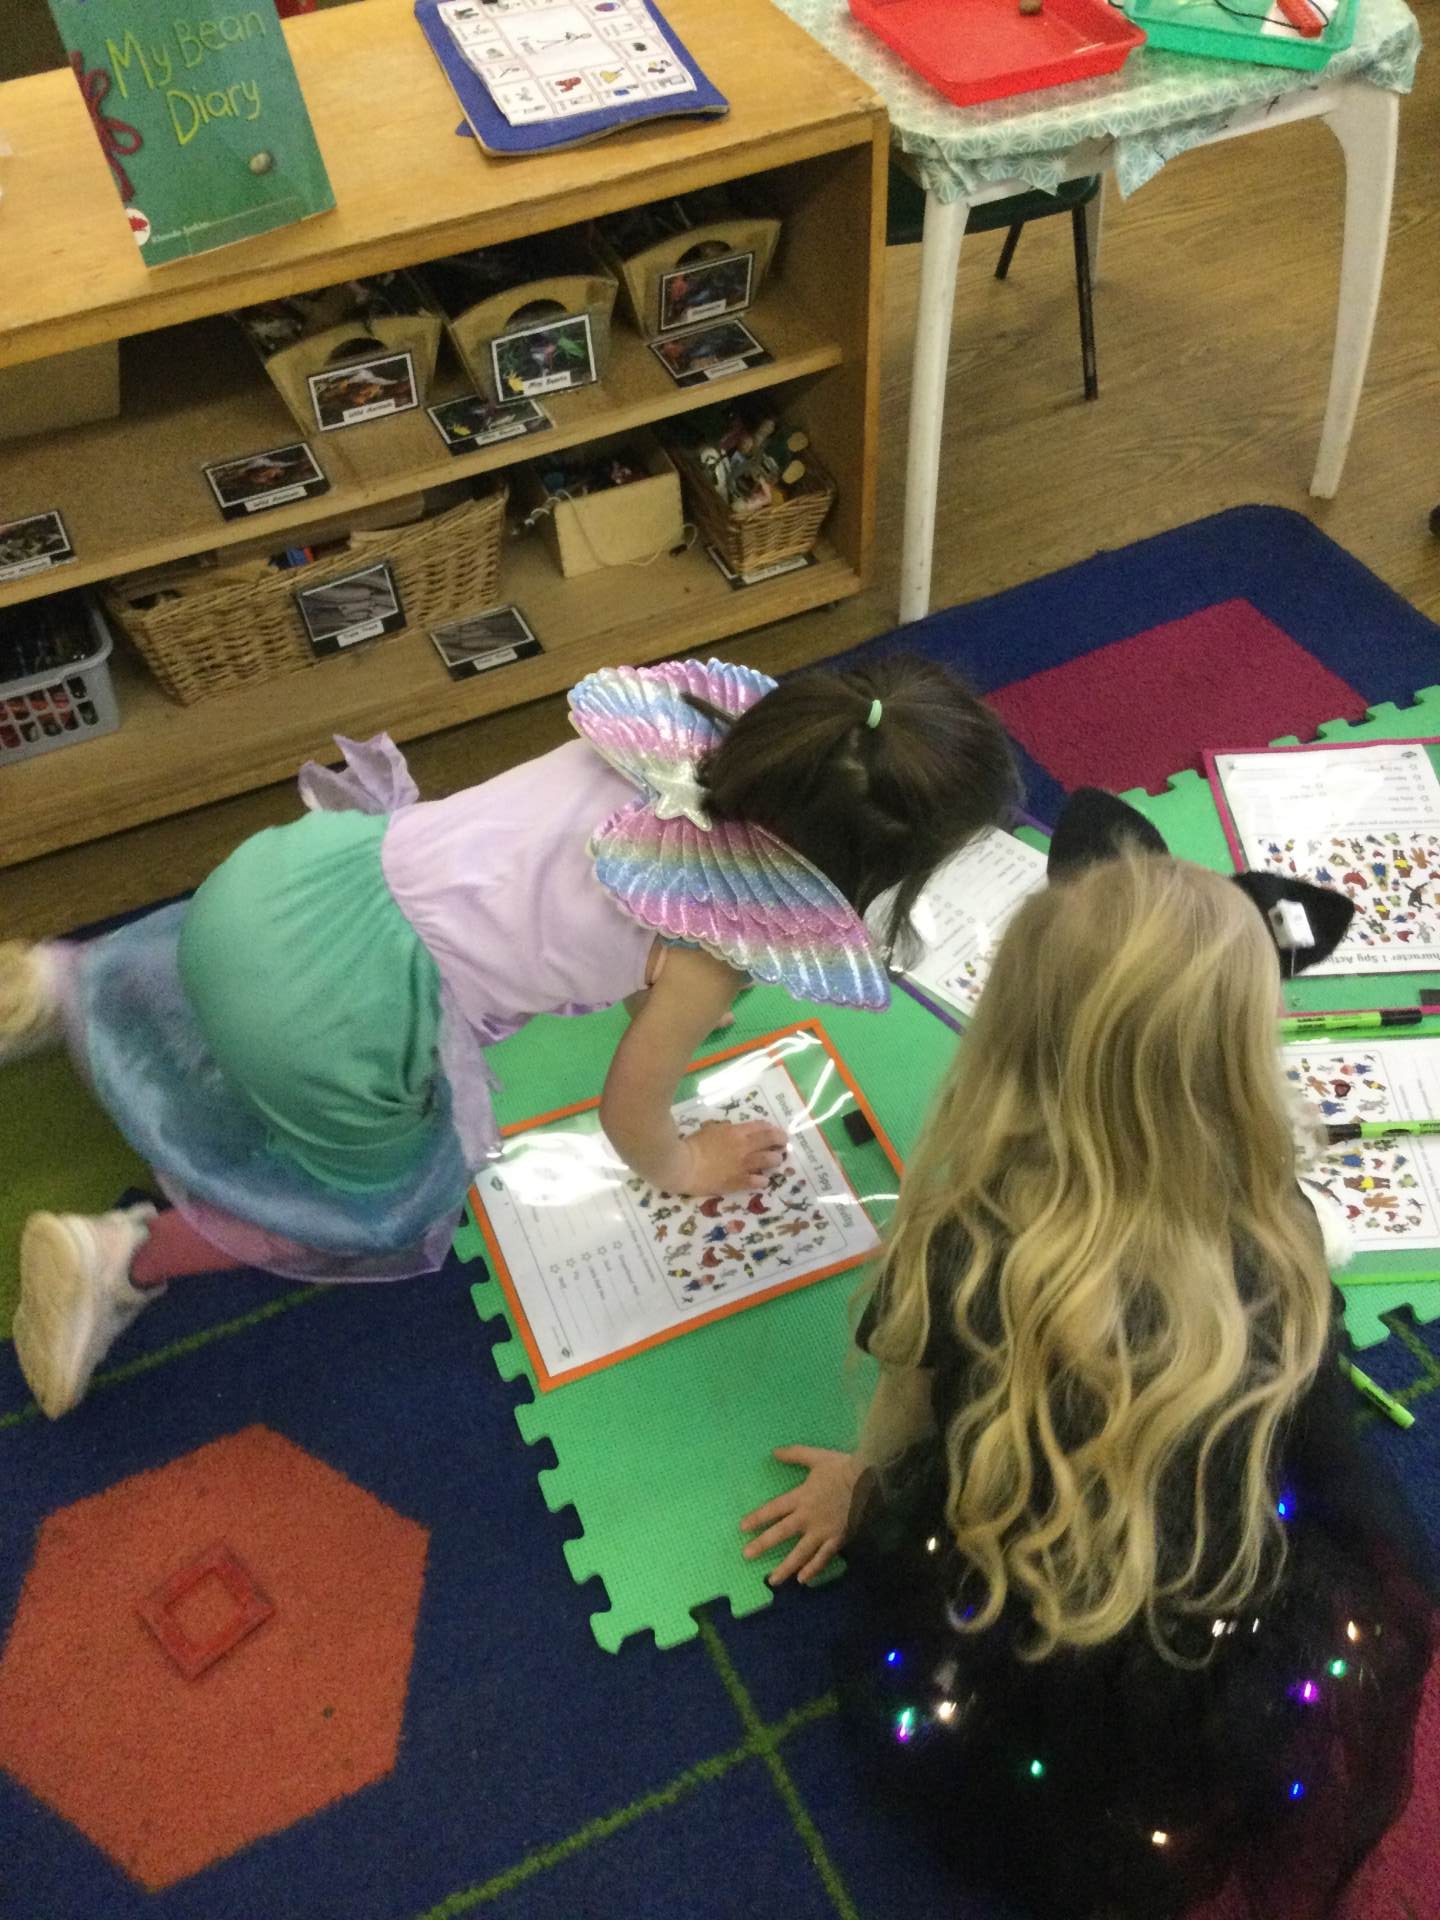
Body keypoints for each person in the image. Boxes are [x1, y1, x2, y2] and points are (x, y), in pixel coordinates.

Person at [740, 793, 1435, 1920]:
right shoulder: (1280, 1234)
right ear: (1235, 1068)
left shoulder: (966, 1235)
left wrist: (861, 1486)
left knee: (1035, 1747)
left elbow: (909, 1398)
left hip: (1034, 1601)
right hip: (1229, 1595)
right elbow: (1303, 1434)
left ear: (1015, 1038)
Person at [1, 653, 1018, 1420]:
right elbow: (630, 1111)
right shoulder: (710, 952)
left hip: (280, 886)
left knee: (280, 946)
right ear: (862, 874)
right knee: (380, 1205)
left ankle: (71, 985)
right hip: (340, 1018)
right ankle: (124, 1255)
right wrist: (689, 1162)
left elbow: (580, 893)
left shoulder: (665, 729)